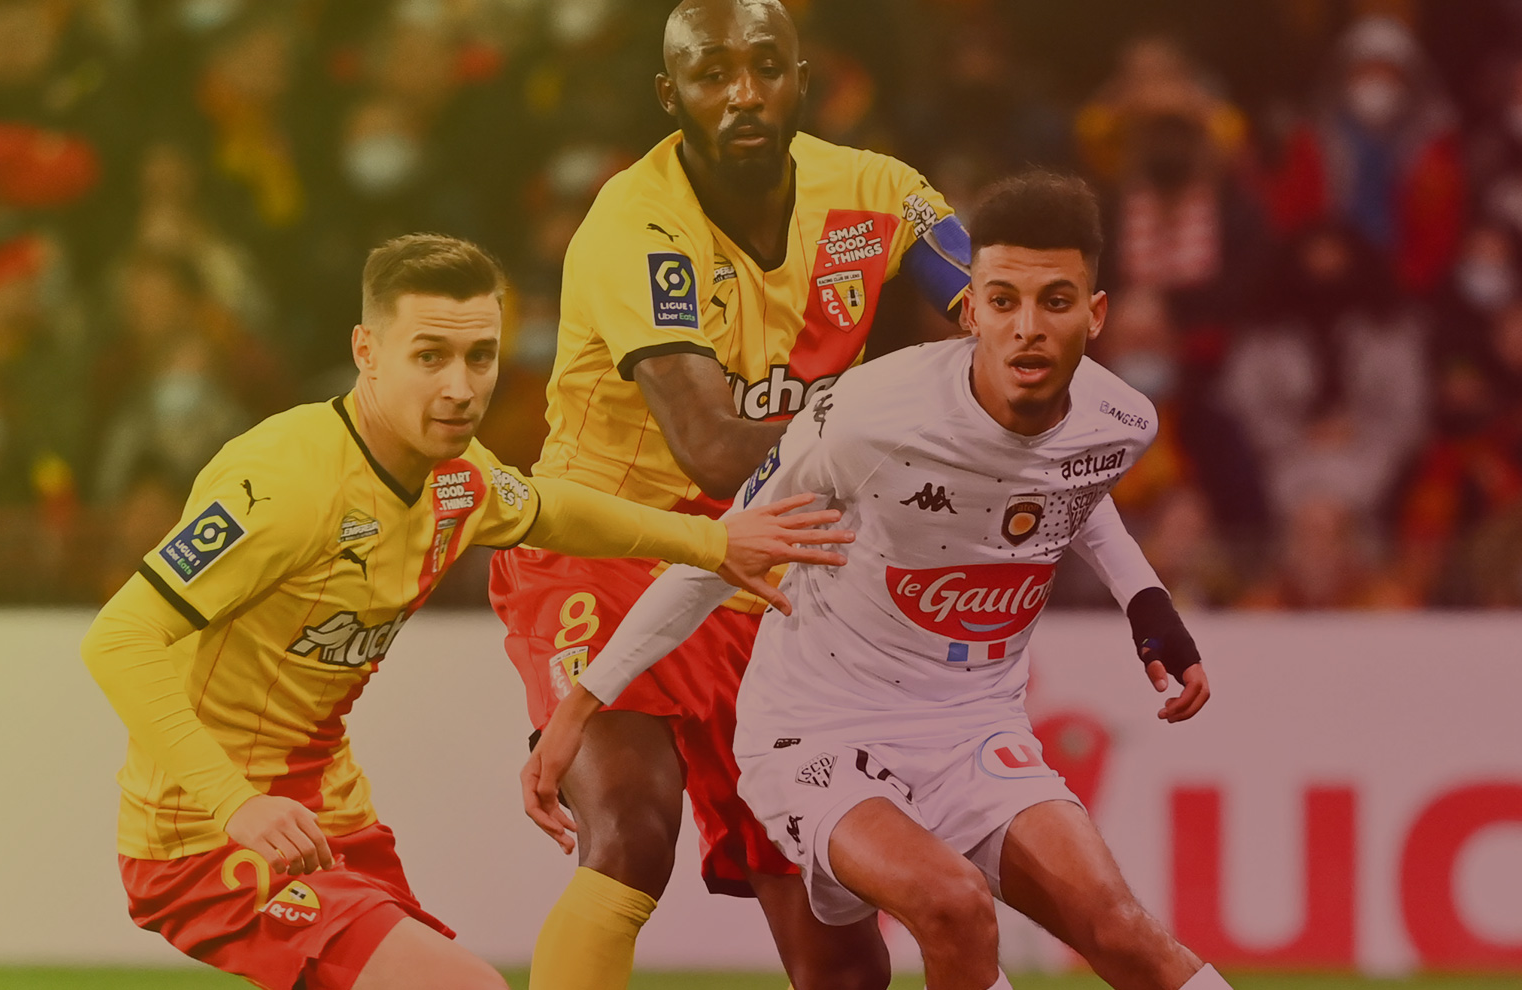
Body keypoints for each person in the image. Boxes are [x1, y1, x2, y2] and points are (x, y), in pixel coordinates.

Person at [487, 4, 1140, 988]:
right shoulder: (637, 223)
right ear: (671, 95)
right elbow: (712, 448)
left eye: (764, 67)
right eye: (713, 74)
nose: (742, 93)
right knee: (631, 830)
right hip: (611, 545)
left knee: (839, 954)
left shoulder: (878, 195)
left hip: (782, 570)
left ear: (802, 80)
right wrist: (911, 460)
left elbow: (1013, 337)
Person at [79, 233, 853, 990]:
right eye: (429, 357)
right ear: (366, 351)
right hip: (204, 835)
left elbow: (550, 509)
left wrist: (713, 541)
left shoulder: (456, 477)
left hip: (329, 812)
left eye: (480, 356)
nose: (460, 387)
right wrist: (236, 805)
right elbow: (118, 639)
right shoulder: (287, 483)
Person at [525, 173, 1236, 990]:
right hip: (818, 730)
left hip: (974, 727)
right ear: (969, 311)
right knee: (954, 905)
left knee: (1122, 932)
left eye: (1056, 302)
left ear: (1096, 314)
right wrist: (581, 705)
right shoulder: (868, 418)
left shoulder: (1123, 422)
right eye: (1002, 301)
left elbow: (1069, 488)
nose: (1028, 329)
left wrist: (1149, 608)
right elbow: (723, 553)